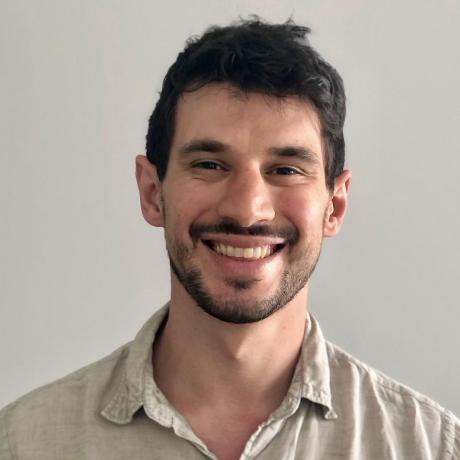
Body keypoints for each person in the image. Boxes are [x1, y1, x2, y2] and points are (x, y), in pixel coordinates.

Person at [1, 18, 459, 460]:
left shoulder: (430, 448)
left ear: (334, 206)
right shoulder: (23, 445)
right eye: (209, 165)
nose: (247, 209)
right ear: (152, 192)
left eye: (286, 170)